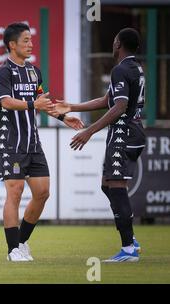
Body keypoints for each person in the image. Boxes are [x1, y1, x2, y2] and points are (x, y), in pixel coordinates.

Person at [0, 22, 84, 262]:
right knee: (15, 192)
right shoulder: (3, 72)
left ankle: (22, 242)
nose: (30, 44)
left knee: (43, 193)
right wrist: (34, 104)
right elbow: (6, 103)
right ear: (12, 45)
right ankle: (12, 250)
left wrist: (64, 117)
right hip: (12, 142)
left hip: (33, 143)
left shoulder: (34, 72)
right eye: (25, 40)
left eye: (31, 40)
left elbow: (42, 102)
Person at [53, 28, 144, 262]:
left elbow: (120, 106)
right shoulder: (136, 68)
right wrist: (71, 107)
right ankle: (130, 240)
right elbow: (107, 100)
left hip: (123, 133)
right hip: (133, 132)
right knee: (108, 185)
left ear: (118, 44)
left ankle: (128, 249)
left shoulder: (120, 69)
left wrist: (89, 131)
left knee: (115, 186)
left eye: (114, 41)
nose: (112, 44)